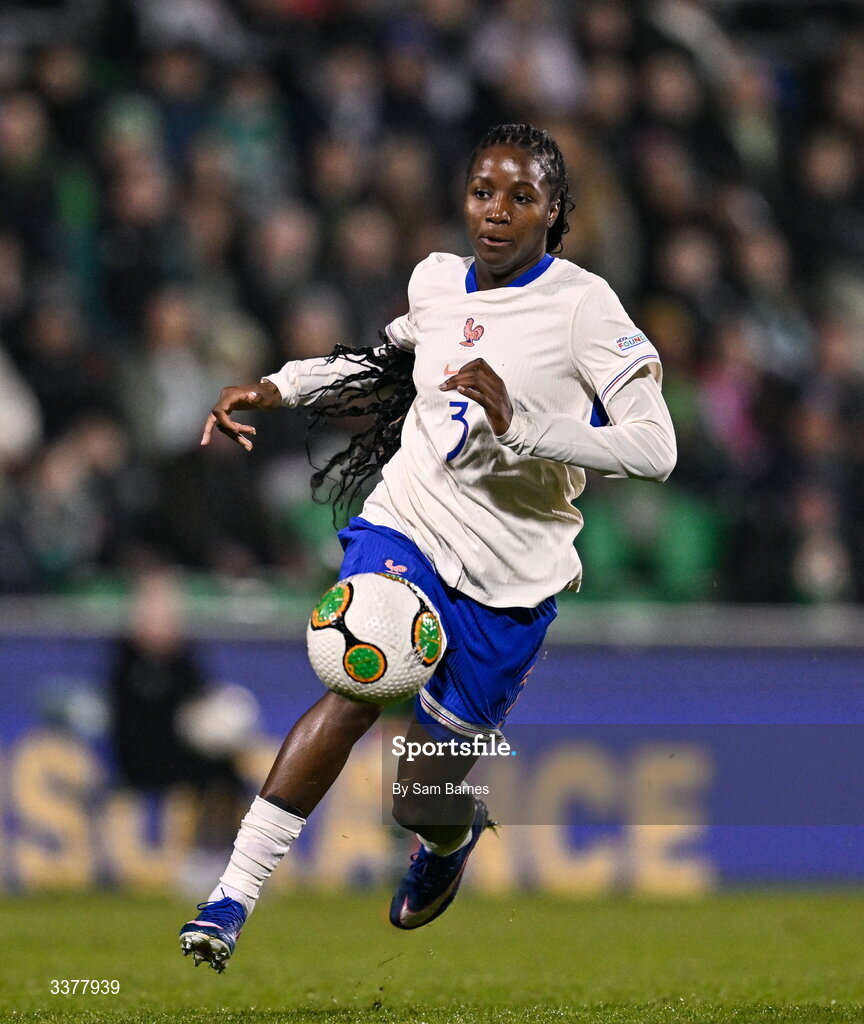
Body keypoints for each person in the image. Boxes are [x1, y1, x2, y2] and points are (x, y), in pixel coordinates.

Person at [179, 123, 677, 971]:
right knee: (354, 679)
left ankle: (446, 844)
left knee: (423, 799)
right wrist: (276, 386)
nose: (497, 210)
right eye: (485, 191)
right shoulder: (438, 282)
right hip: (410, 520)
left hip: (510, 579)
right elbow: (384, 365)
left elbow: (655, 447)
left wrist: (525, 426)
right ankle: (229, 898)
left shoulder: (584, 305)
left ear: (555, 212)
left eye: (522, 196)